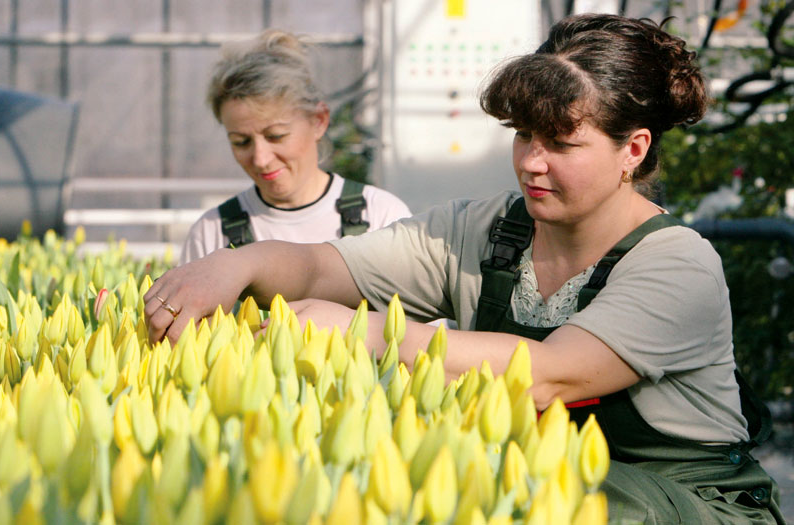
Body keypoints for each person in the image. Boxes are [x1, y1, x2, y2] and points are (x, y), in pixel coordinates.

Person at [145, 14, 784, 523]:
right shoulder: (481, 229)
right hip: (532, 483)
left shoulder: (678, 263)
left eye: (561, 143)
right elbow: (322, 268)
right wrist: (237, 264)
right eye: (523, 135)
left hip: (675, 505)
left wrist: (369, 333)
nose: (532, 162)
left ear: (633, 149)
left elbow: (546, 377)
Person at [178, 29, 411, 265]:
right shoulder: (212, 233)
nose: (261, 159)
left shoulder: (381, 216)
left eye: (276, 136)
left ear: (318, 121)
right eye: (241, 142)